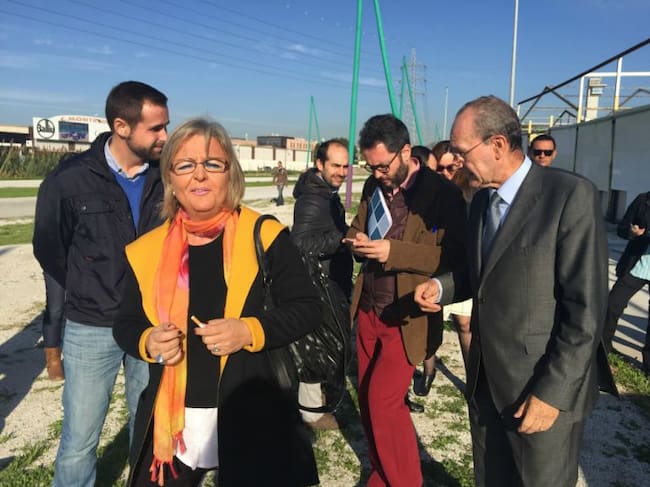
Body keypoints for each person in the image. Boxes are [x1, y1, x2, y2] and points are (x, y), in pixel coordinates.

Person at [415, 95, 617, 487]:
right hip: (486, 380)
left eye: (461, 151)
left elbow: (586, 312)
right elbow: (483, 272)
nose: (456, 161)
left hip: (538, 386)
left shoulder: (568, 196)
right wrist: (441, 286)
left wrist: (552, 394)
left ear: (497, 145)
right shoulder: (479, 201)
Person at [113, 117, 320, 487]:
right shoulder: (146, 250)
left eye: (212, 163)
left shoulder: (265, 235)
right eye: (185, 165)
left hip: (252, 414)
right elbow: (125, 323)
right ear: (170, 178)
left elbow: (307, 307)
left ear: (231, 174)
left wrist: (249, 330)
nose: (199, 175)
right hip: (172, 418)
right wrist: (148, 340)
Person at [32, 80, 169, 487]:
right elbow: (50, 249)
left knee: (150, 427)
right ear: (121, 127)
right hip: (92, 326)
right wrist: (89, 285)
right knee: (79, 439)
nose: (165, 136)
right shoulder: (69, 180)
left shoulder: (166, 176)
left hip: (152, 324)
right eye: (156, 128)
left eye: (166, 126)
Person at [345, 114, 466, 487]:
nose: (377, 173)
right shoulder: (373, 186)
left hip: (408, 314)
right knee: (367, 398)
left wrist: (392, 252)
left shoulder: (443, 195)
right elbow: (357, 226)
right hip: (369, 308)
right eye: (371, 166)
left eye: (383, 166)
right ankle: (382, 474)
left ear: (406, 152)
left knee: (383, 401)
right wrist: (355, 241)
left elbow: (452, 257)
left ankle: (404, 481)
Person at [291, 138, 353, 430]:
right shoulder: (313, 200)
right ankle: (311, 413)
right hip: (318, 284)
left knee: (326, 344)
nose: (342, 172)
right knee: (314, 347)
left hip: (329, 281)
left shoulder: (326, 193)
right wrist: (341, 239)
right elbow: (299, 244)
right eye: (335, 165)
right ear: (320, 164)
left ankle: (317, 400)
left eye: (346, 166)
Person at [431, 140, 474, 367]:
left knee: (464, 324)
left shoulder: (469, 191)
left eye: (451, 168)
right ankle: (427, 372)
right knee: (430, 324)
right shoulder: (429, 193)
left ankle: (472, 376)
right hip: (434, 263)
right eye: (441, 168)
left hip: (459, 265)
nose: (446, 173)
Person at [602, 191, 650, 372]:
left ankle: (648, 366)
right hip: (637, 265)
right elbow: (622, 227)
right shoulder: (643, 200)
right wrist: (632, 232)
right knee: (612, 305)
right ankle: (603, 350)